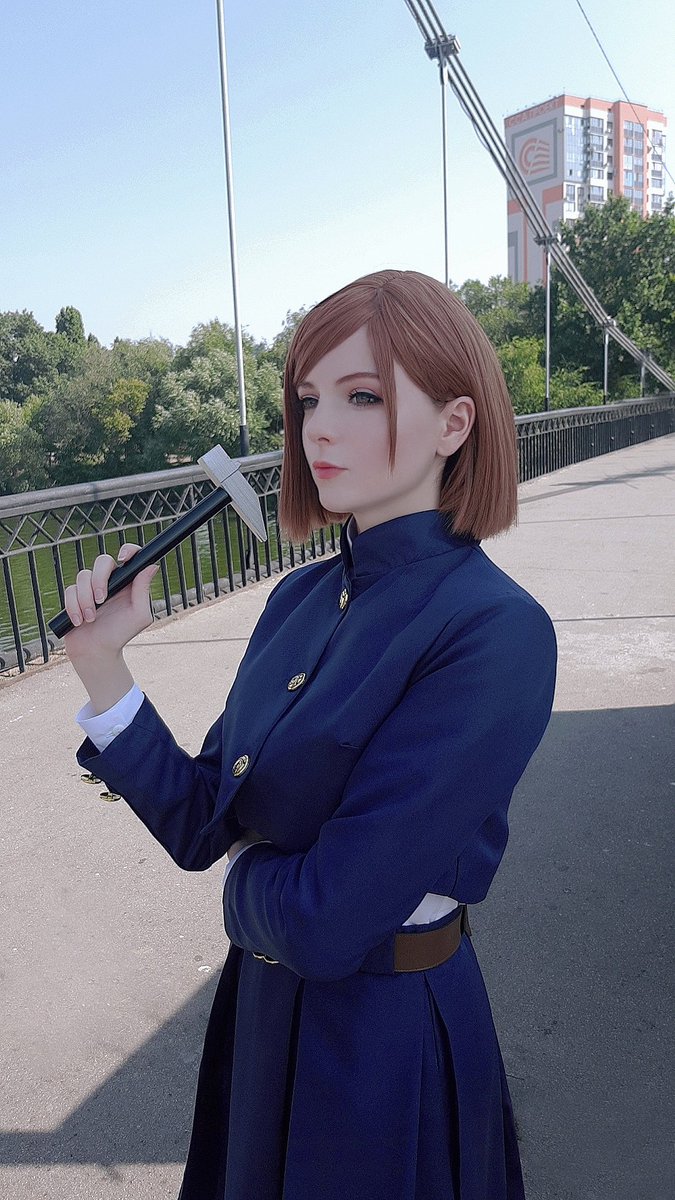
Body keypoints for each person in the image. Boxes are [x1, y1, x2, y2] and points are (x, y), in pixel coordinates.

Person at [65, 269, 557, 1200]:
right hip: (260, 1013)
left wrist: (244, 881)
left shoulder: (493, 631)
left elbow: (326, 923)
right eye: (306, 400)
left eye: (362, 397)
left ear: (454, 424)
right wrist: (102, 662)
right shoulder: (298, 598)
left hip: (382, 1041)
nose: (317, 428)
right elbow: (202, 820)